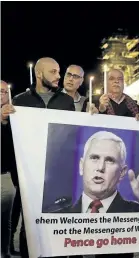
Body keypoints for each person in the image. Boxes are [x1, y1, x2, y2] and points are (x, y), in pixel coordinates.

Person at [1, 57, 75, 258]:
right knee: (31, 226)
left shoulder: (66, 101)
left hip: (59, 175)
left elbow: (72, 136)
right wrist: (4, 121)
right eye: (53, 72)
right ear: (39, 74)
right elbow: (11, 142)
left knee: (57, 224)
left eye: (59, 71)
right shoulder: (20, 101)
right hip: (30, 177)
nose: (59, 76)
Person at [50, 131, 139, 214]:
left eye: (110, 160)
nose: (100, 167)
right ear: (81, 166)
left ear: (122, 172)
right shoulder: (56, 216)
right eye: (94, 158)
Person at [1, 80, 16, 258]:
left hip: (5, 177)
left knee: (5, 221)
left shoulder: (14, 117)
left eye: (4, 91)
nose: (1, 94)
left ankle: (4, 252)